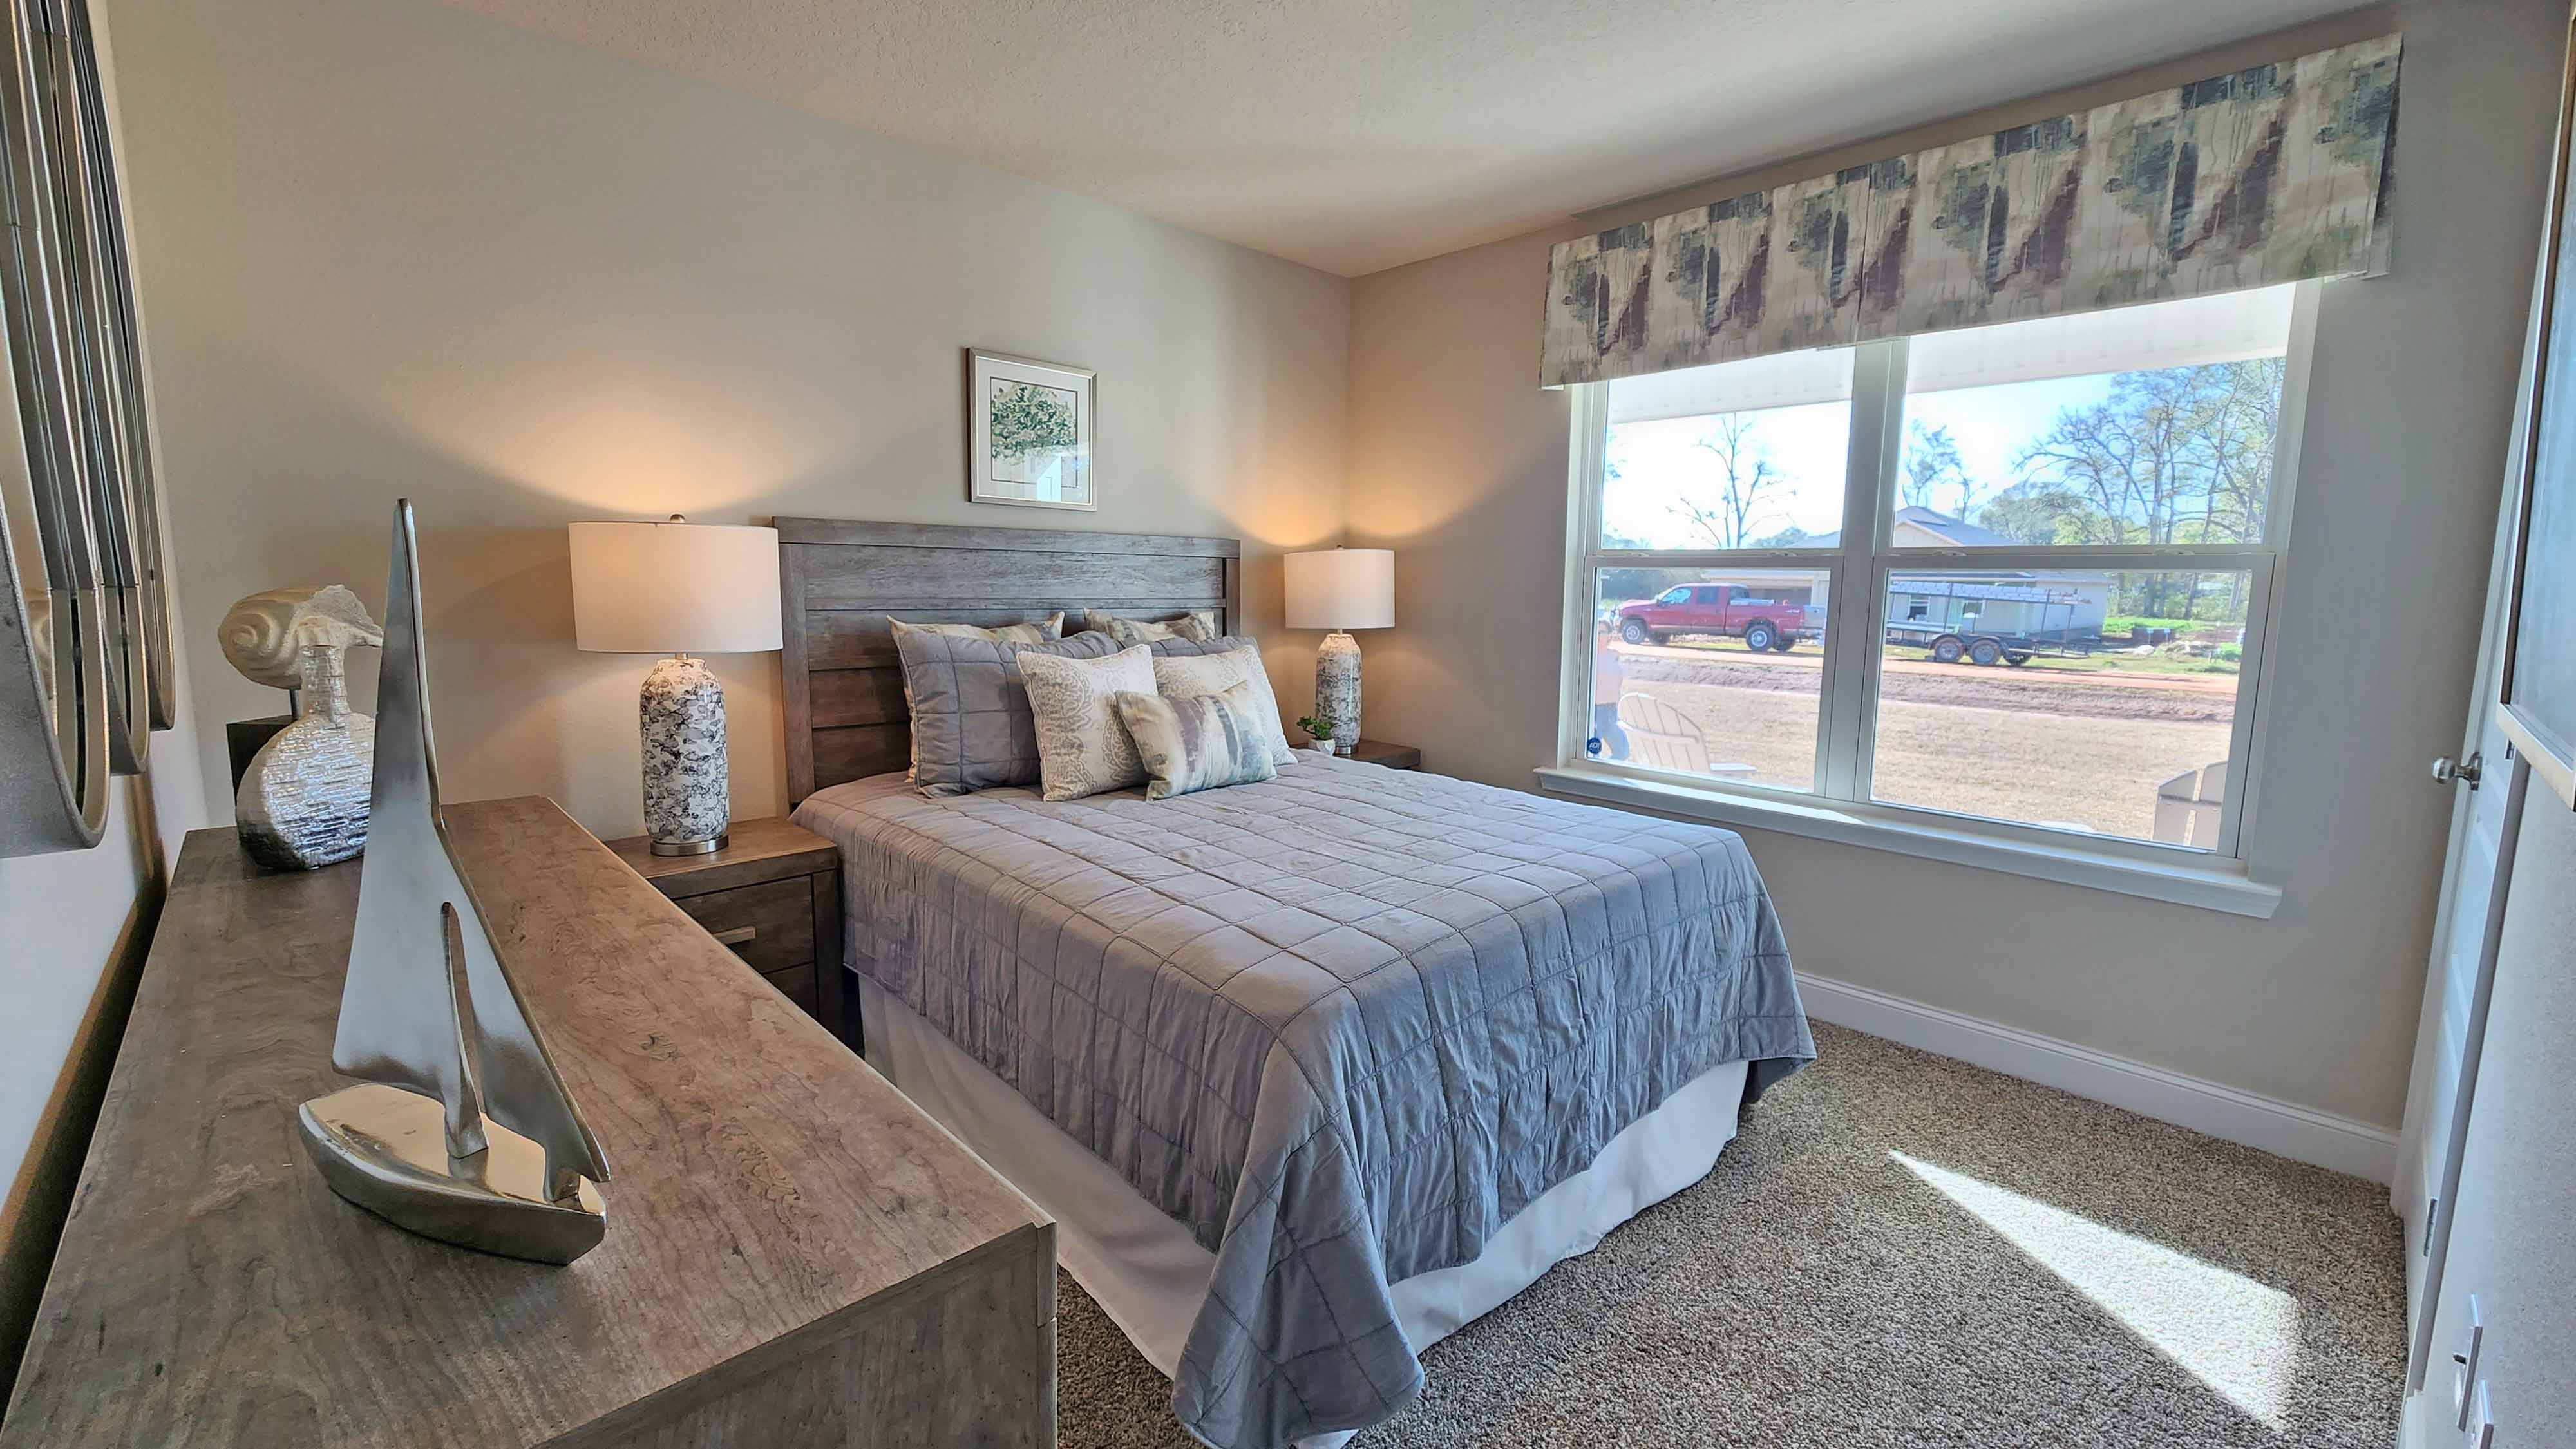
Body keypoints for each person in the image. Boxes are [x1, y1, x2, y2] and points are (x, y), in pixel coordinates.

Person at [1591, 618, 1629, 761]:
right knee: (1591, 754)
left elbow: (1617, 683)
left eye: (1601, 632)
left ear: (1609, 636)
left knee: (1622, 751)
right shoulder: (1588, 657)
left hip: (1610, 711)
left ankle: (1602, 776)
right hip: (1593, 713)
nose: (1598, 635)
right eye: (1595, 632)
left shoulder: (1614, 656)